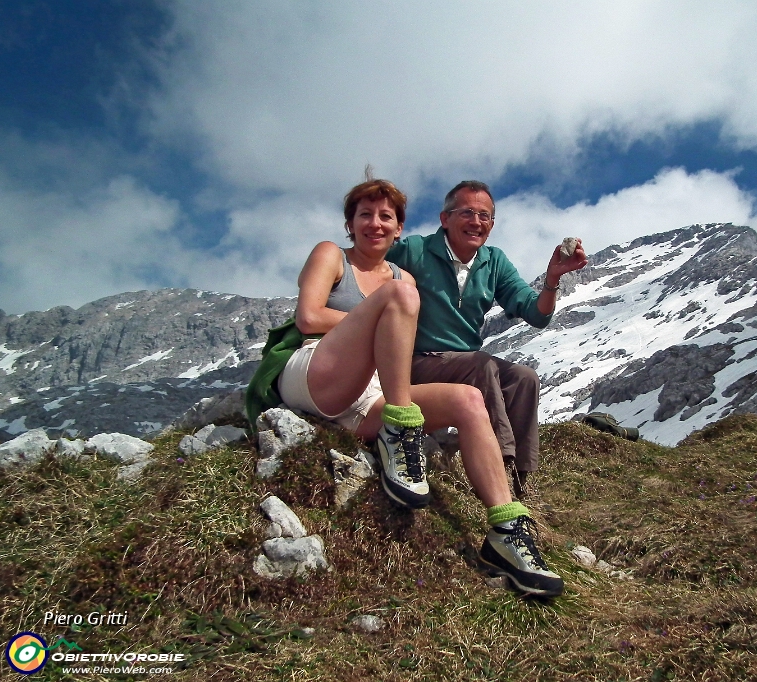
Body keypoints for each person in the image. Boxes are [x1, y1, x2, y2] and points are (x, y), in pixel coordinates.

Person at [246, 177, 563, 597]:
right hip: (316, 368)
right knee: (402, 299)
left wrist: (554, 277)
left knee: (469, 400)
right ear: (349, 223)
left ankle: (507, 531)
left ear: (399, 229)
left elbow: (530, 309)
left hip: (370, 392)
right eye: (365, 215)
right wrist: (373, 326)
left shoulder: (403, 275)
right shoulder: (333, 255)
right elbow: (308, 317)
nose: (375, 224)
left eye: (386, 217)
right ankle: (401, 431)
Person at [386, 181, 587, 498]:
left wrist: (552, 280)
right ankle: (499, 465)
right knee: (480, 366)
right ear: (445, 218)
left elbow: (537, 314)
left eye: (485, 216)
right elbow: (369, 265)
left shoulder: (493, 262)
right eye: (467, 212)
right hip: (417, 362)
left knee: (524, 378)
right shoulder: (415, 250)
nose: (476, 222)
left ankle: (523, 481)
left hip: (463, 363)